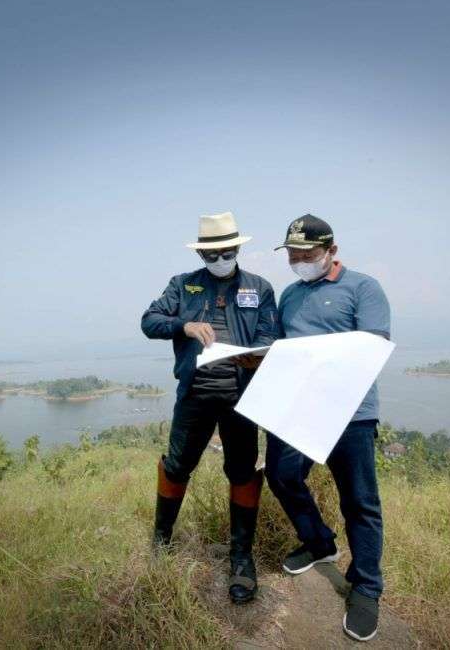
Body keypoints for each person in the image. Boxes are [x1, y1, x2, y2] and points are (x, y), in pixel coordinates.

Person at [263, 213, 391, 641]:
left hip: (350, 412)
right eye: (293, 254)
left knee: (359, 501)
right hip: (298, 407)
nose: (299, 260)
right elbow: (282, 349)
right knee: (281, 476)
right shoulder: (290, 295)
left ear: (331, 251)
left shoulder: (363, 288)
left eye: (308, 253)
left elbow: (370, 347)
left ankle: (367, 588)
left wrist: (311, 359)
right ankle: (319, 543)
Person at [141, 211, 278, 604]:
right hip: (194, 396)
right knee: (177, 465)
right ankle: (161, 545)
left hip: (240, 399)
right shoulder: (182, 286)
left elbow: (270, 335)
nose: (219, 259)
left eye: (226, 251)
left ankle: (241, 561)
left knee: (242, 472)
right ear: (202, 254)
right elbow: (149, 321)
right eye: (211, 254)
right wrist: (183, 326)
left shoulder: (260, 288)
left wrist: (256, 356)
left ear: (237, 248)